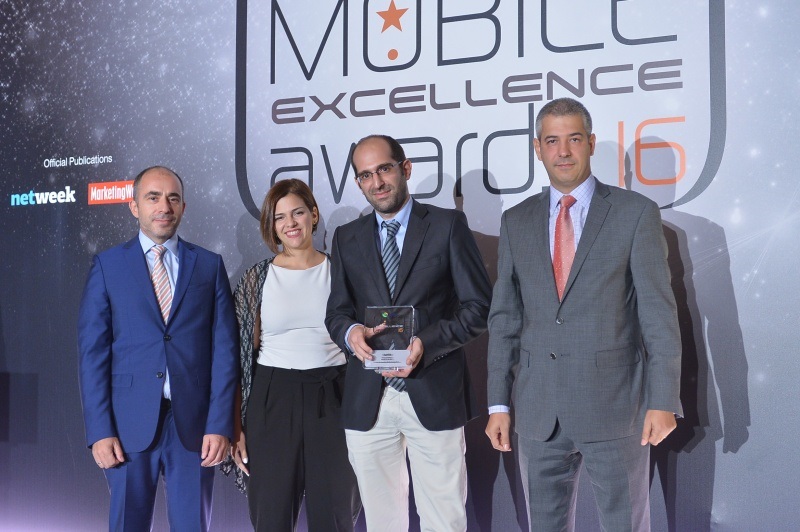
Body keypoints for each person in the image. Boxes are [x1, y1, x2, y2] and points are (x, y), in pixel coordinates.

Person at [485, 97, 683, 531]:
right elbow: (504, 320)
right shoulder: (516, 221)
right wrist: (498, 403)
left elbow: (658, 316)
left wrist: (663, 399)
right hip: (538, 413)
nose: (563, 151)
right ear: (537, 148)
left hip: (616, 408)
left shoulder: (635, 214)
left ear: (590, 143)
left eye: (574, 139)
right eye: (552, 141)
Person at [325, 134, 492, 531]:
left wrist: (425, 343)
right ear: (358, 182)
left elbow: (479, 308)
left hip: (432, 389)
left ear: (405, 168)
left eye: (384, 169)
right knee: (382, 523)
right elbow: (336, 313)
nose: (377, 182)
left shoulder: (447, 226)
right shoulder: (347, 238)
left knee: (444, 520)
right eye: (365, 175)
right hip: (369, 399)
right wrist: (350, 333)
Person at [77, 165, 239, 530]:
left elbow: (225, 353)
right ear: (134, 206)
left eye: (173, 198)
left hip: (194, 429)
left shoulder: (209, 265)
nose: (164, 206)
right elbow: (92, 355)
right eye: (153, 197)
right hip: (127, 426)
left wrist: (220, 424)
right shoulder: (108, 266)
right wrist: (99, 430)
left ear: (183, 207)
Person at [222, 178, 361, 531]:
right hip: (272, 399)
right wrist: (236, 426)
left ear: (313, 214)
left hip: (334, 396)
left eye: (297, 212)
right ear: (271, 226)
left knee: (336, 515)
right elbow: (238, 360)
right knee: (271, 516)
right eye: (279, 217)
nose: (290, 223)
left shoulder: (343, 273)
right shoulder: (256, 279)